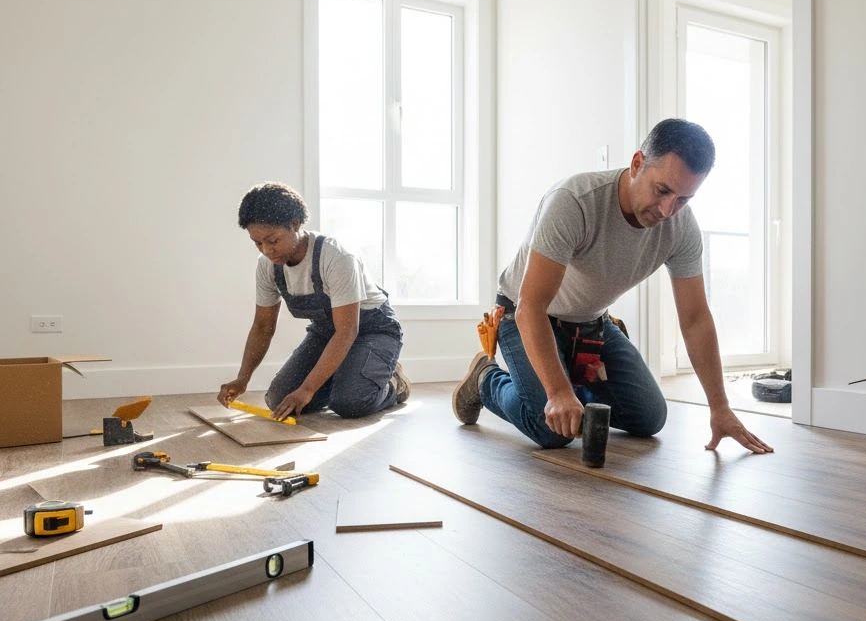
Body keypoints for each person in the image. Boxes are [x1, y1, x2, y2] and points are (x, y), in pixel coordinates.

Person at [451, 118, 773, 454]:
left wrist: (719, 407)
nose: (667, 210)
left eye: (683, 199)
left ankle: (567, 391)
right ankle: (486, 379)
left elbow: (695, 319)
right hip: (525, 315)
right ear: (637, 164)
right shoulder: (574, 201)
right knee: (551, 432)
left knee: (650, 418)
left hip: (591, 323)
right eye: (662, 190)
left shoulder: (681, 228)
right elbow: (531, 305)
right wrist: (558, 393)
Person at [218, 182, 408, 420]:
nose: (267, 250)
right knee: (279, 399)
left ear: (296, 224)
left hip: (372, 330)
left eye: (273, 240)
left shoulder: (336, 257)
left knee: (350, 403)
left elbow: (347, 331)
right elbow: (263, 326)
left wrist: (308, 389)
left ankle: (392, 383)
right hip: (327, 333)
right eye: (258, 243)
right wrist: (243, 378)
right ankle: (351, 375)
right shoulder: (267, 265)